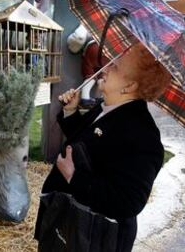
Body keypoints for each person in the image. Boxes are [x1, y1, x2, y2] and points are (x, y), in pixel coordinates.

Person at [34, 42, 172, 251]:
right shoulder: (105, 106)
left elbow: (128, 201)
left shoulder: (143, 136)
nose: (105, 67)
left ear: (131, 86)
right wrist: (71, 112)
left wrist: (74, 177)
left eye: (115, 66)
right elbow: (88, 145)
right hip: (67, 222)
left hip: (92, 236)